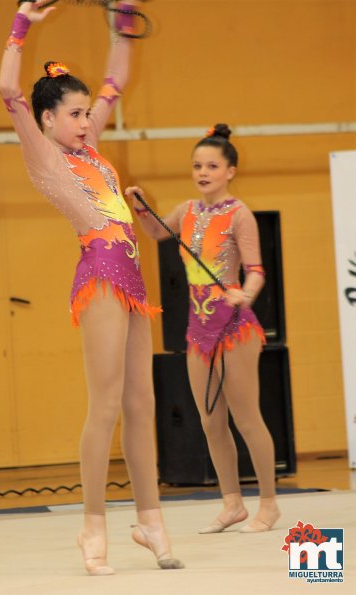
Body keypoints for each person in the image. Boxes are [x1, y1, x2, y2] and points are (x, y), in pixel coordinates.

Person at [0, 0, 184, 575]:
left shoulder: (91, 150)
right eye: (75, 114)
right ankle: (92, 527)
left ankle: (150, 520)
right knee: (104, 406)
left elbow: (115, 80)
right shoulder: (46, 155)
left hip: (131, 277)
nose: (85, 121)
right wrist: (22, 25)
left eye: (86, 113)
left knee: (141, 404)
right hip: (100, 275)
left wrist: (124, 23)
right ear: (48, 119)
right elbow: (9, 89)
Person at [125, 124, 281, 533]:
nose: (203, 172)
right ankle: (232, 504)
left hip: (234, 326)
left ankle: (268, 504)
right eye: (197, 165)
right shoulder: (187, 210)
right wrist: (141, 206)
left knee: (247, 418)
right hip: (198, 329)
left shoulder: (239, 214)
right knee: (210, 420)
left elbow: (257, 270)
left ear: (230, 170)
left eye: (212, 165)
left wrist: (244, 295)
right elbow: (158, 232)